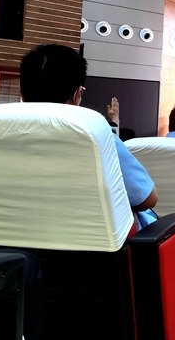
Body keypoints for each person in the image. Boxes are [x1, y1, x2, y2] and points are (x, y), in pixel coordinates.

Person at [19, 45, 159, 228]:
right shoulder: (95, 135)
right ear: (77, 94)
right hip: (92, 244)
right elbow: (147, 198)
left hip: (9, 242)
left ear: (21, 92)